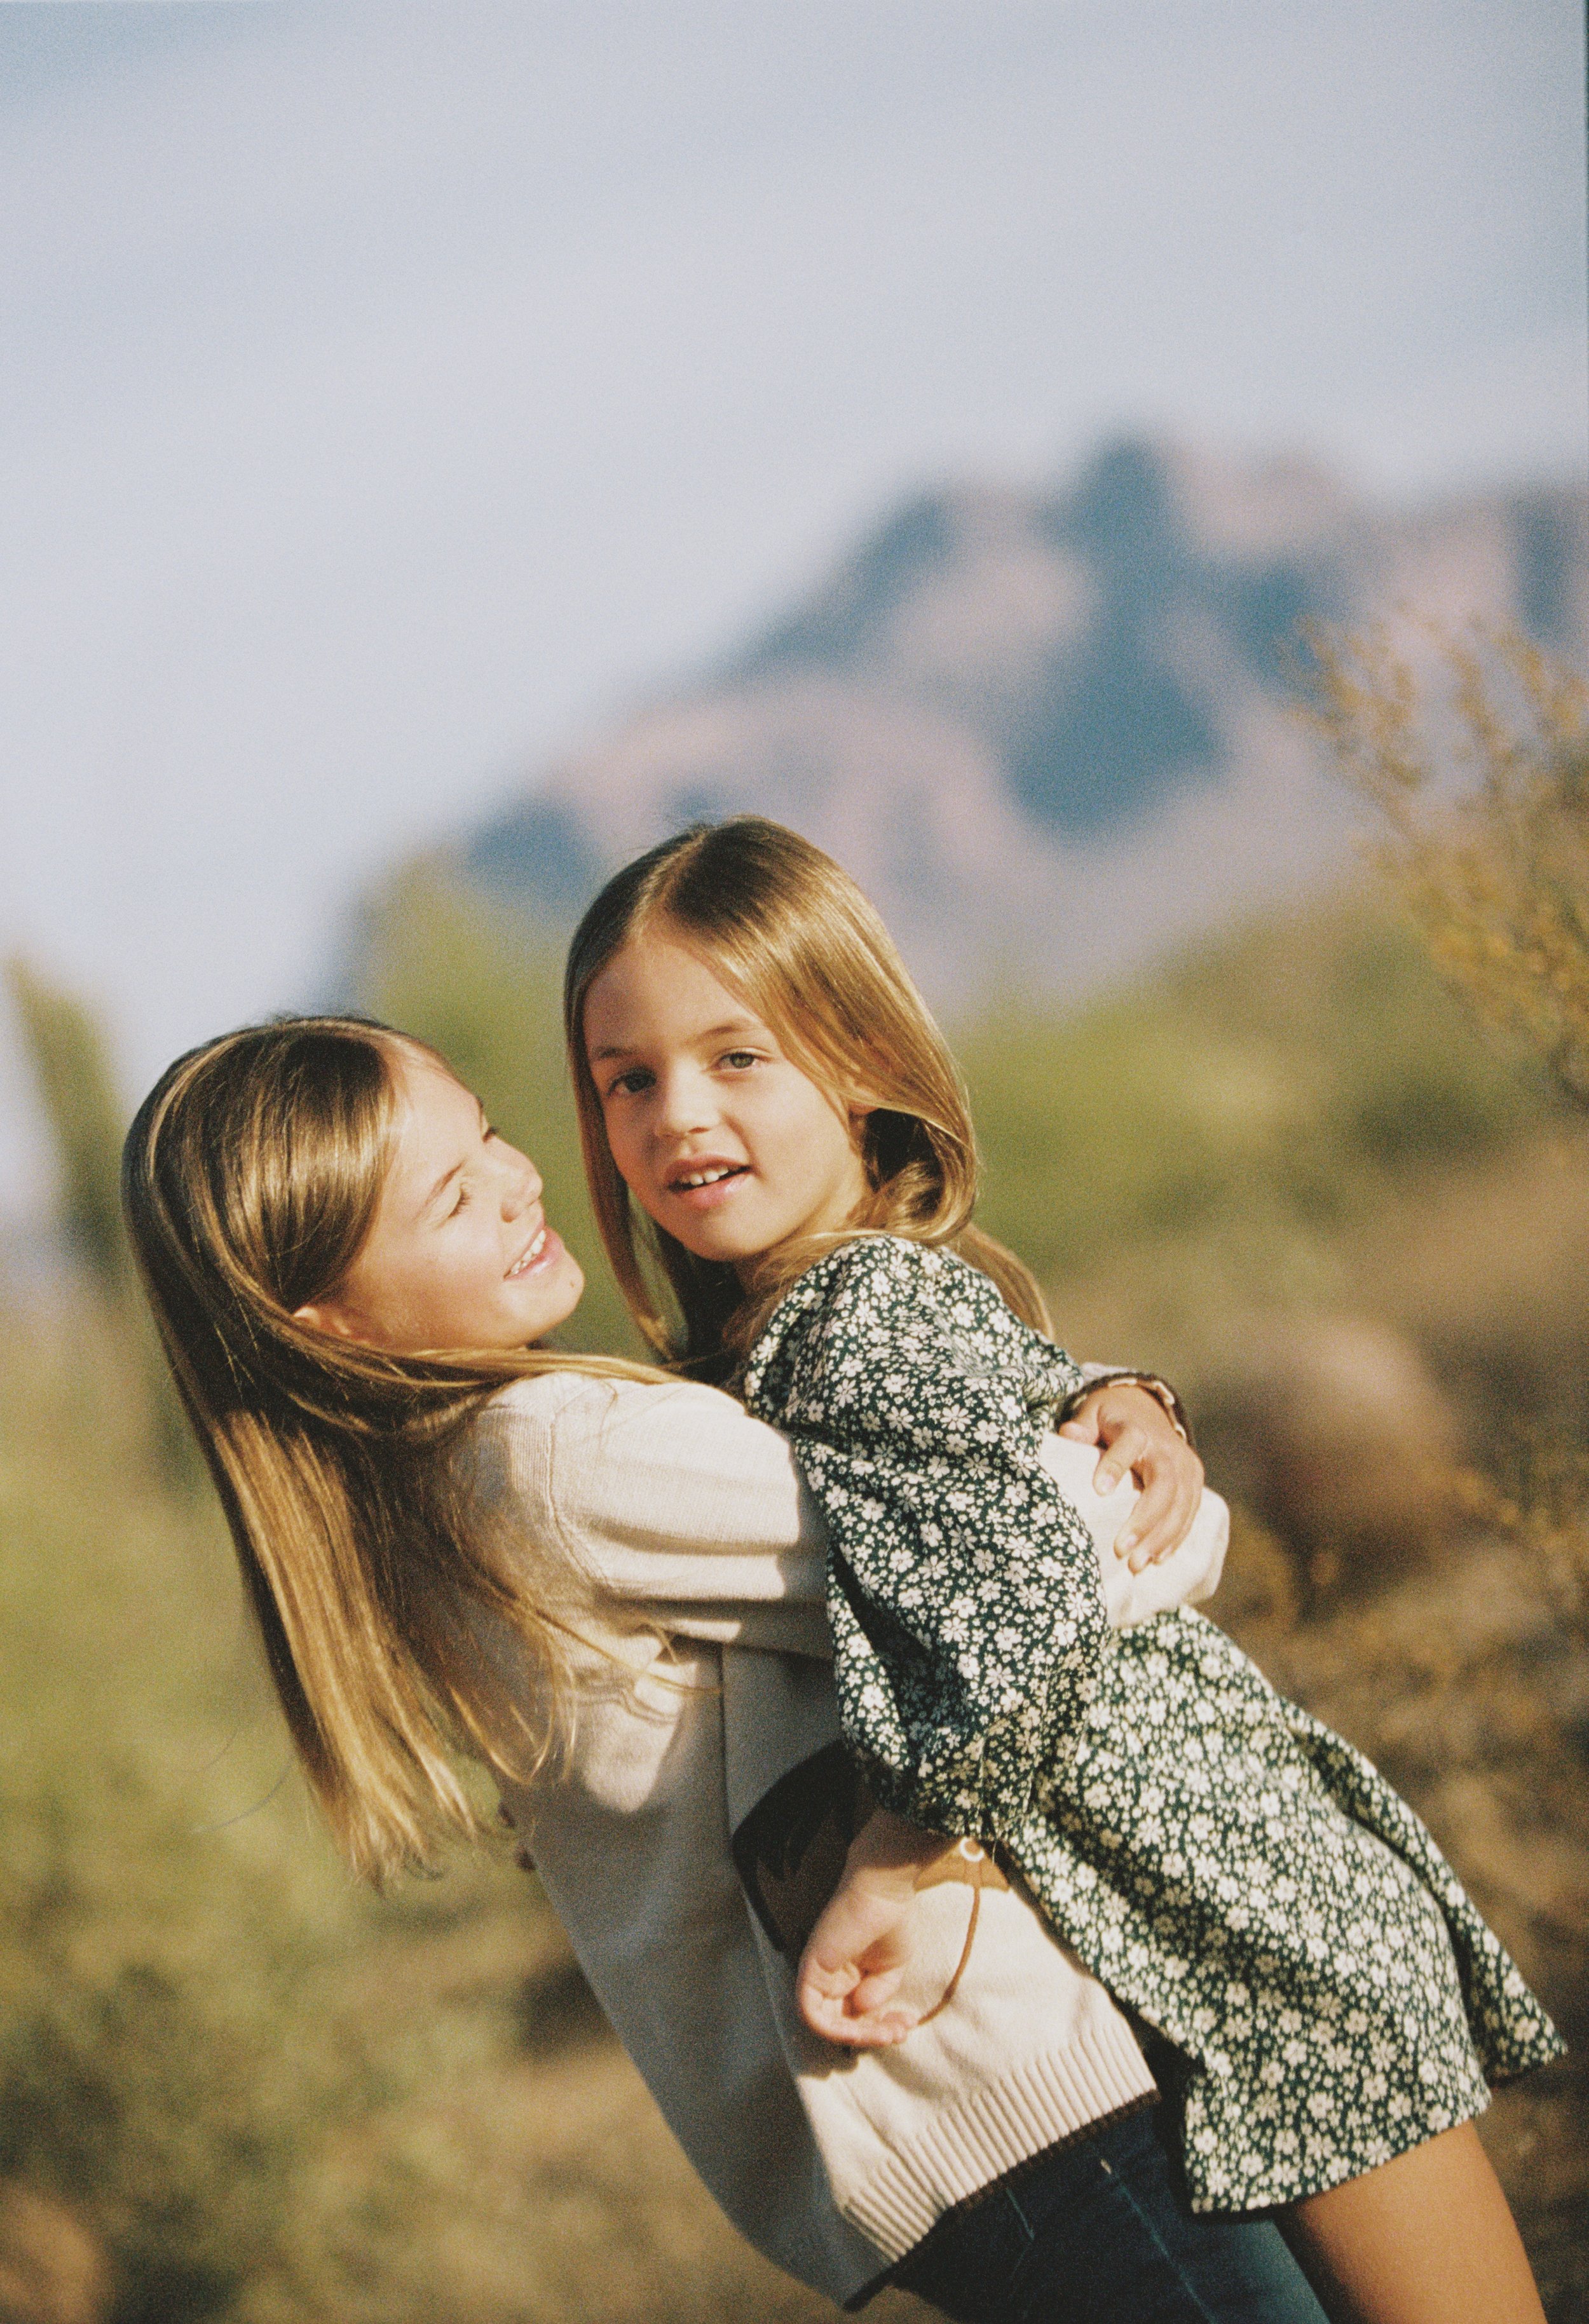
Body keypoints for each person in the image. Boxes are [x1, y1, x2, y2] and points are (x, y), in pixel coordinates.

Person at [123, 1013, 1337, 2323]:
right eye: (451, 1196)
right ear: (327, 1322)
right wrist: (1146, 1457)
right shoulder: (546, 1458)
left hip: (959, 2137)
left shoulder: (434, 1497)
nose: (518, 1179)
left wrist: (1108, 1397)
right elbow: (1032, 1549)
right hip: (1016, 2105)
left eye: (486, 1131)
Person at [564, 815, 1561, 2324]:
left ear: (855, 1059)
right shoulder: (789, 1342)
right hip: (1202, 1943)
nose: (675, 1114)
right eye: (626, 1077)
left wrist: (905, 1850)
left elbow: (1025, 1567)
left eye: (735, 1056)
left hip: (1259, 1929)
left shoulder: (858, 1311)